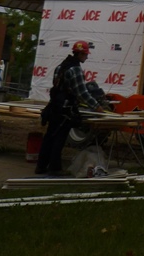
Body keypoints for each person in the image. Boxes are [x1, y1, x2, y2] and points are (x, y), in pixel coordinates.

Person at [36, 41, 111, 176]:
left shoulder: (61, 66)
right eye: (85, 54)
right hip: (65, 109)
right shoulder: (75, 69)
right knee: (59, 138)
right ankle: (54, 168)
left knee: (49, 136)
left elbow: (58, 87)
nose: (86, 57)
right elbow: (82, 93)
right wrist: (97, 107)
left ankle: (41, 166)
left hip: (54, 107)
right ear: (80, 54)